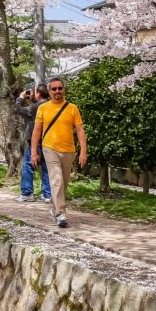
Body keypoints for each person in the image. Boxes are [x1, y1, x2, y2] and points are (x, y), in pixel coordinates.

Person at [31, 77, 87, 228]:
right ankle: (61, 214)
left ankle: (55, 208)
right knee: (57, 180)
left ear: (64, 89)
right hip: (49, 148)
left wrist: (83, 151)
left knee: (64, 183)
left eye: (60, 88)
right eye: (54, 89)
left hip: (69, 150)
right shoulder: (43, 108)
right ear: (49, 91)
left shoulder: (72, 108)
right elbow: (37, 130)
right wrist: (34, 152)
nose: (57, 91)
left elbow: (80, 130)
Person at [15, 85, 52, 203]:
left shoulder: (35, 107)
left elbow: (17, 109)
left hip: (35, 141)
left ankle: (27, 193)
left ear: (38, 94)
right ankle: (48, 194)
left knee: (28, 165)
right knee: (46, 167)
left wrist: (20, 98)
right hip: (48, 140)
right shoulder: (50, 105)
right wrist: (32, 98)